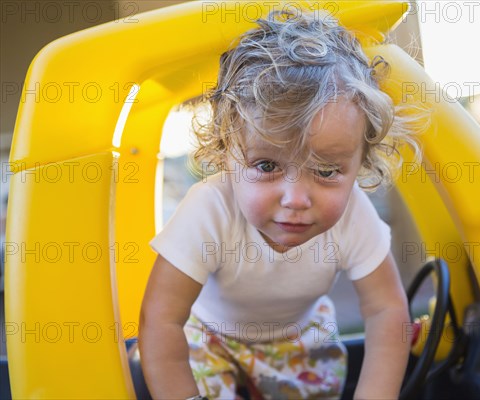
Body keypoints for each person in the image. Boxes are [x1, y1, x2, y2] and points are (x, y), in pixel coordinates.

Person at [139, 8, 422, 400]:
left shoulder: (354, 215)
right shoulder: (209, 210)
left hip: (299, 339)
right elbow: (161, 320)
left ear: (361, 162)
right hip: (209, 337)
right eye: (267, 165)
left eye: (326, 171)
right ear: (227, 153)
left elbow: (387, 311)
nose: (296, 199)